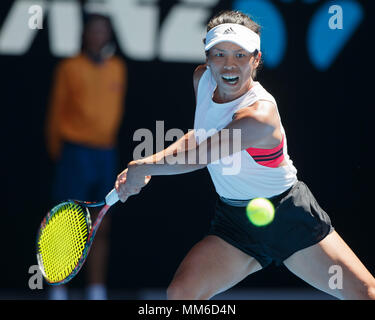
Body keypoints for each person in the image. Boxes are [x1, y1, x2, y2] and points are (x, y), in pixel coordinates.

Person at [114, 10, 375, 300]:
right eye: (220, 54)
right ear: (207, 56)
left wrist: (141, 166)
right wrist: (149, 167)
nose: (229, 65)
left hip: (288, 218)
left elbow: (203, 154)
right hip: (236, 224)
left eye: (240, 55)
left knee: (365, 293)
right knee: (182, 294)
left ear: (256, 59)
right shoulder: (202, 80)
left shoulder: (259, 116)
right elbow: (201, 136)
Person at [45, 13, 127, 300]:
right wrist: (61, 152)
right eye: (93, 30)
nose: (98, 36)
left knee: (100, 223)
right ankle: (58, 288)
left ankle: (96, 288)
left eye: (102, 31)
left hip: (105, 154)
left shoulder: (117, 69)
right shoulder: (69, 68)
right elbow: (56, 114)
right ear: (85, 35)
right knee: (65, 221)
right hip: (75, 153)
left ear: (109, 35)